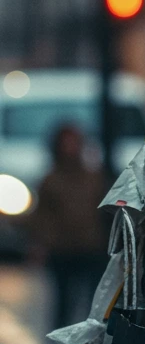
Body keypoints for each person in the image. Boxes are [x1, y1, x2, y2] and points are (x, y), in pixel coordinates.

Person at [28, 123, 112, 328]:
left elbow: (105, 211)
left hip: (91, 246)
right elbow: (43, 217)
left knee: (94, 298)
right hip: (62, 249)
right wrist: (41, 244)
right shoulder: (51, 180)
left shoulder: (94, 178)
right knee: (64, 298)